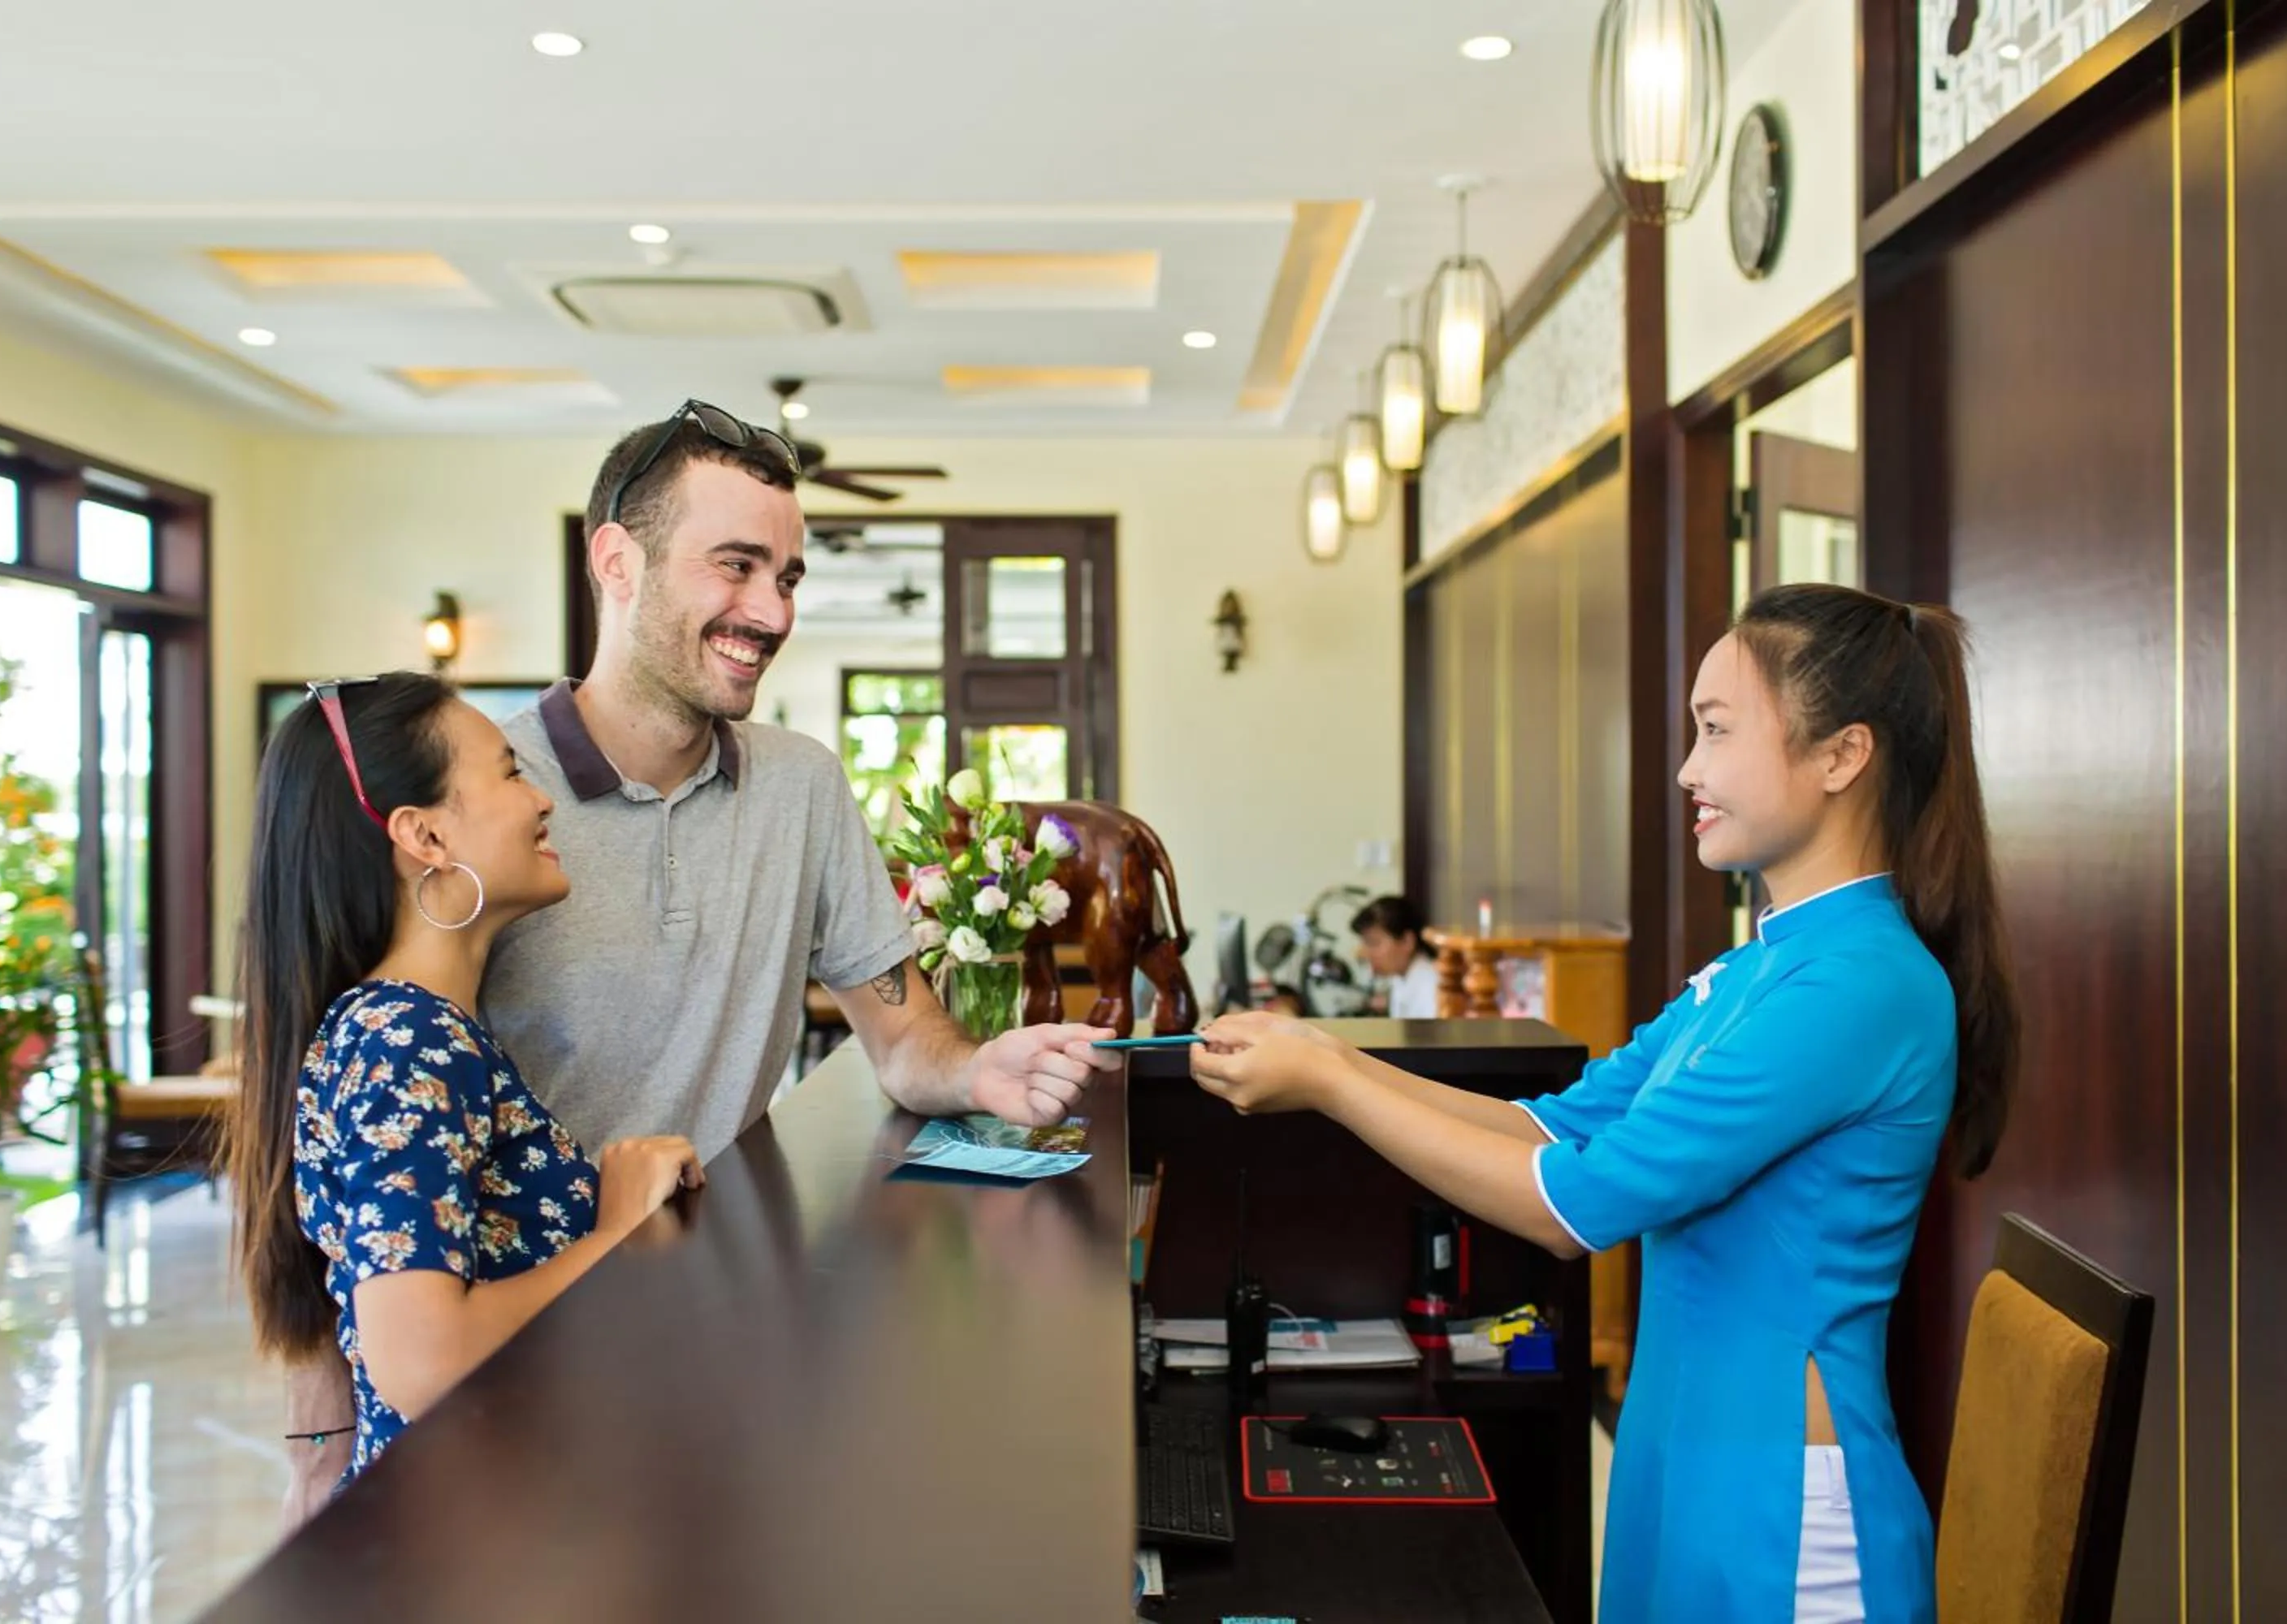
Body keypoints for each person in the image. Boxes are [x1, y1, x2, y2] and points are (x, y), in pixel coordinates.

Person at [275, 401, 1116, 1520]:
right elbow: (328, 1147)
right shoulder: (475, 794)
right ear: (615, 562)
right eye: (735, 566)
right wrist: (320, 1433)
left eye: (790, 577)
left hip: (704, 1352)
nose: (770, 611)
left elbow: (904, 1035)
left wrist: (976, 1073)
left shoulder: (805, 787)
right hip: (504, 1390)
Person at [1189, 584, 2017, 1622]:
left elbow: (1572, 1203)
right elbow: (1558, 1123)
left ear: (1843, 755)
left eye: (1716, 732)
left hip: (1778, 1506)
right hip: (1682, 1456)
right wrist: (1324, 1054)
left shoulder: (1858, 985)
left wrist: (1333, 1080)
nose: (1688, 769)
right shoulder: (1766, 965)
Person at [227, 673, 707, 1488]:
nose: (542, 801)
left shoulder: (412, 1030)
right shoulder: (408, 1041)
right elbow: (421, 1358)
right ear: (425, 835)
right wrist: (612, 1232)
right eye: (512, 772)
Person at [1351, 895, 1438, 1018]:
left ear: (1407, 942)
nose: (1365, 953)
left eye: (1374, 943)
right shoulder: (1400, 976)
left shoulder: (1432, 987)